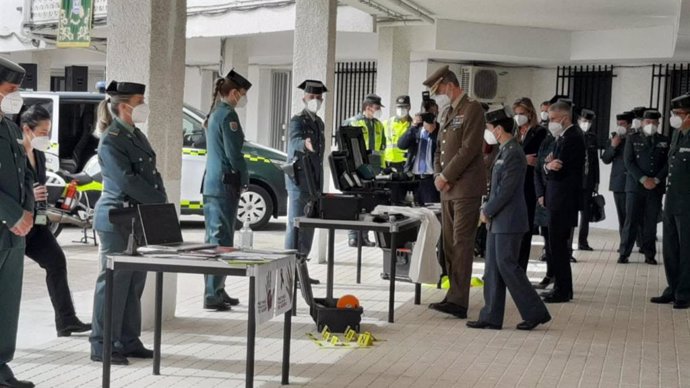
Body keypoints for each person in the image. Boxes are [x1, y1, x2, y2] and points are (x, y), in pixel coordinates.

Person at [90, 81, 166, 365]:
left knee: (134, 281)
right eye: (139, 100)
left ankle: (128, 339)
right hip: (116, 218)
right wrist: (159, 201)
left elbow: (152, 174)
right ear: (124, 106)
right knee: (113, 283)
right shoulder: (111, 139)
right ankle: (101, 344)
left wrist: (160, 200)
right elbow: (126, 180)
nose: (144, 105)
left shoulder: (135, 135)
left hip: (137, 217)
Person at [467, 107, 551, 331]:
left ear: (498, 129)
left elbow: (507, 190)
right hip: (499, 220)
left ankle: (535, 312)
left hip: (509, 221)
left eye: (488, 128)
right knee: (492, 269)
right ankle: (491, 316)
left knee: (508, 267)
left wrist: (487, 210)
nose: (487, 132)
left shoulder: (514, 152)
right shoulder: (505, 150)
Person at [19, 105, 91, 337]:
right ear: (26, 129)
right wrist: (30, 192)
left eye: (48, 131)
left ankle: (66, 320)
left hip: (36, 224)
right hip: (13, 224)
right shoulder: (13, 153)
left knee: (56, 262)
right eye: (42, 132)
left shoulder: (39, 155)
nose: (46, 137)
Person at [425, 65, 486, 319]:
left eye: (438, 90)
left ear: (449, 85)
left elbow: (469, 149)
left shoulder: (472, 108)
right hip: (447, 189)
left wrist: (447, 176)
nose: (438, 95)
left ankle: (459, 302)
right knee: (449, 244)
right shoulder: (448, 111)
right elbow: (440, 148)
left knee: (462, 243)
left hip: (465, 188)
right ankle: (453, 294)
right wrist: (439, 174)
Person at [202, 70, 252, 311]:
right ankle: (213, 294)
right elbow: (234, 155)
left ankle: (216, 289)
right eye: (242, 94)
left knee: (215, 238)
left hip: (214, 184)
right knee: (220, 240)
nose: (242, 99)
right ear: (233, 93)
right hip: (224, 184)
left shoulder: (216, 113)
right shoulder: (228, 116)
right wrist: (245, 177)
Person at [0, 56, 36, 388]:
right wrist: (12, 215)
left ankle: (1, 366)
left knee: (7, 302)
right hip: (3, 224)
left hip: (13, 235)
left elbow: (26, 174)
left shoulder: (10, 127)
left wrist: (27, 214)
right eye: (11, 89)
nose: (16, 95)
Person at [284, 79, 328, 285]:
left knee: (308, 227)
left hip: (314, 182)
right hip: (299, 181)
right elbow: (293, 142)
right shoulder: (297, 121)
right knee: (295, 226)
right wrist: (304, 143)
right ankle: (289, 271)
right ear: (304, 98)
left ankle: (302, 271)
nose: (316, 100)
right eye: (312, 97)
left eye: (319, 98)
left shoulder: (318, 123)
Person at [541, 101, 585, 303]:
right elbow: (549, 164)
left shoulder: (573, 138)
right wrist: (548, 166)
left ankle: (563, 290)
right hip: (556, 198)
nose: (550, 123)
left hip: (563, 200)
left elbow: (559, 170)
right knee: (554, 245)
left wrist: (549, 167)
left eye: (552, 119)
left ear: (564, 118)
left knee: (558, 246)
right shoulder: (563, 136)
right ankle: (561, 286)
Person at [652, 93, 690, 309]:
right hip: (672, 199)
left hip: (688, 202)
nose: (675, 117)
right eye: (674, 113)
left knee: (686, 250)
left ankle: (684, 292)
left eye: (679, 113)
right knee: (670, 248)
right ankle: (672, 287)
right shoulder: (677, 134)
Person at [617, 110, 669, 265]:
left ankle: (649, 254)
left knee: (650, 222)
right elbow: (628, 162)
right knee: (631, 221)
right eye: (648, 122)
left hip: (655, 187)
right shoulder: (632, 139)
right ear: (643, 123)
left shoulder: (664, 140)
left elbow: (668, 164)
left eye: (654, 123)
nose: (651, 125)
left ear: (658, 124)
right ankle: (624, 253)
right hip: (635, 187)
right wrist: (643, 179)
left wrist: (657, 180)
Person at [344, 94, 385, 247]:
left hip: (373, 169)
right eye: (377, 107)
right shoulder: (353, 122)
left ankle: (365, 236)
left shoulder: (378, 125)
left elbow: (381, 148)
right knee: (354, 201)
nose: (379, 110)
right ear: (368, 107)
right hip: (357, 168)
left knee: (368, 203)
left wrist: (381, 167)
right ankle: (353, 236)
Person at [512, 97, 547, 271]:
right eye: (516, 114)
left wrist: (523, 161)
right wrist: (522, 160)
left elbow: (538, 159)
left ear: (530, 113)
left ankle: (521, 268)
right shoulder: (514, 132)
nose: (518, 117)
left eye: (522, 114)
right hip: (514, 183)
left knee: (525, 227)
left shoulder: (539, 132)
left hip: (529, 184)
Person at [397, 99, 440, 205]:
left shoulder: (439, 129)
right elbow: (401, 145)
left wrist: (432, 132)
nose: (431, 116)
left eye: (434, 113)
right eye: (428, 113)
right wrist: (413, 126)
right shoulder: (415, 129)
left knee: (431, 212)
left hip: (430, 179)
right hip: (413, 178)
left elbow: (442, 147)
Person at [601, 111, 634, 246]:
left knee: (633, 215)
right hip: (618, 183)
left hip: (633, 183)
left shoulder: (634, 138)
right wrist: (613, 145)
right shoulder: (613, 139)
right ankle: (624, 244)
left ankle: (639, 242)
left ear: (629, 125)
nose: (620, 126)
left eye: (623, 124)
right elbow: (605, 159)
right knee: (622, 216)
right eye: (618, 124)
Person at [577, 109, 600, 251]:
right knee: (572, 215)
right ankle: (568, 245)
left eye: (589, 122)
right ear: (579, 120)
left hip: (588, 181)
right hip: (575, 181)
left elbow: (595, 161)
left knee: (585, 214)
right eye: (584, 121)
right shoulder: (574, 135)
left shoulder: (592, 138)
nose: (586, 124)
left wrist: (597, 181)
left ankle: (582, 241)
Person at [383, 95, 411, 171]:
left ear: (409, 108)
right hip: (388, 163)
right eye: (399, 107)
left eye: (404, 107)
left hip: (405, 164)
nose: (401, 109)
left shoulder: (413, 125)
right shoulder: (387, 123)